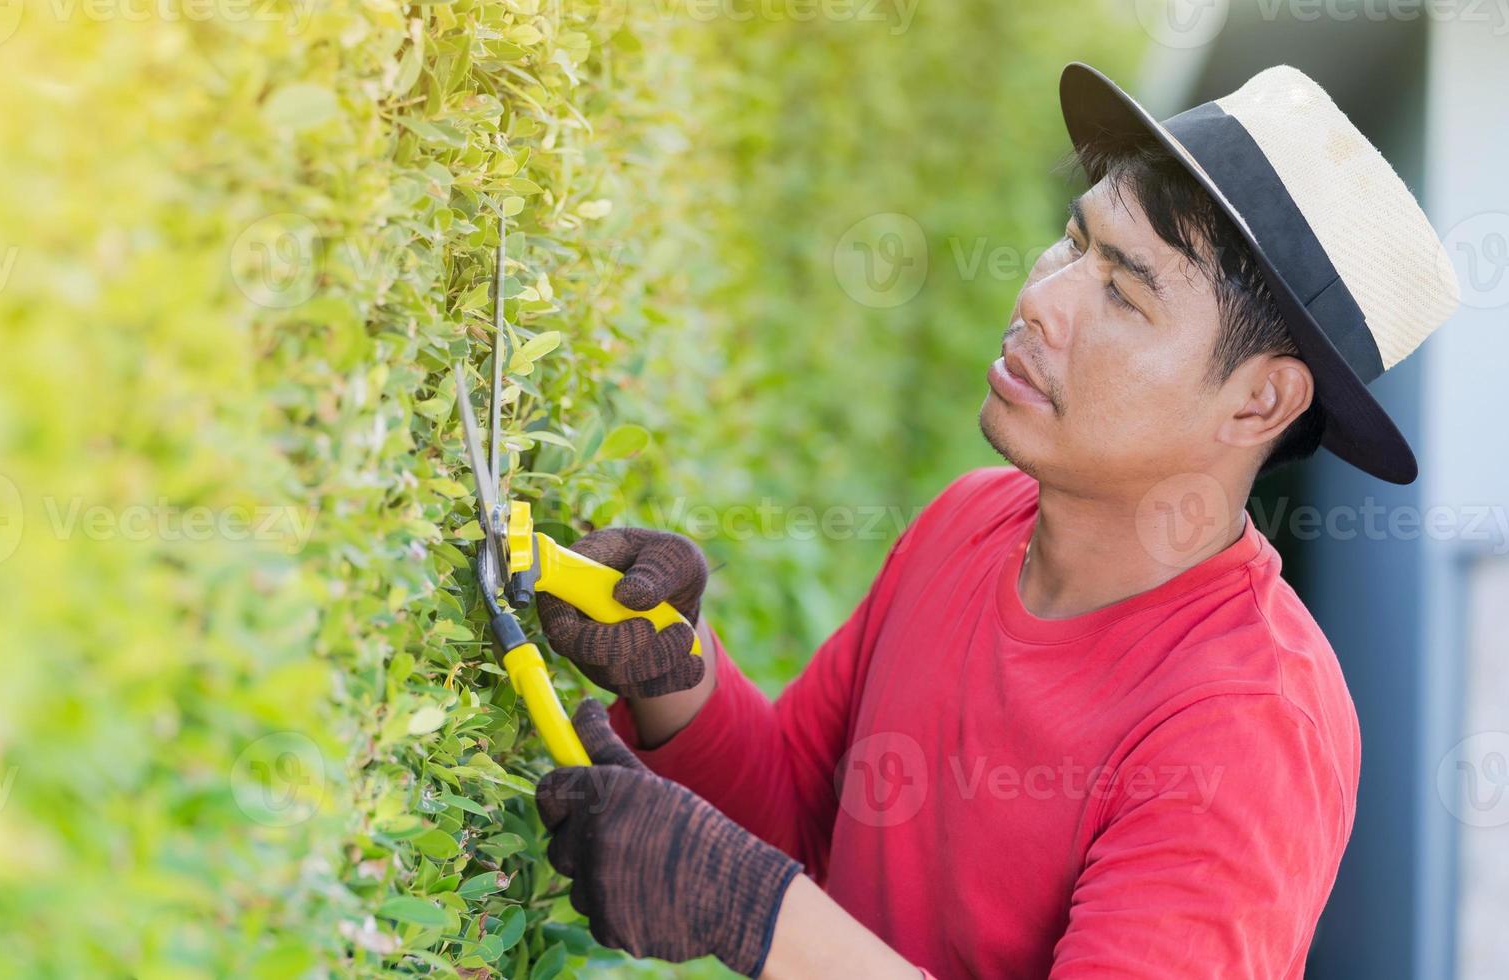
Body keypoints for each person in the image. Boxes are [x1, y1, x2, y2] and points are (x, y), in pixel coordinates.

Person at [529, 62, 1461, 979]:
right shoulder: (969, 521)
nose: (1040, 299)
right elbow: (803, 826)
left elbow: (775, 905)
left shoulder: (1249, 728)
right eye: (1072, 242)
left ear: (1260, 403)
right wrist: (670, 665)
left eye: (1123, 294)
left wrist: (753, 913)